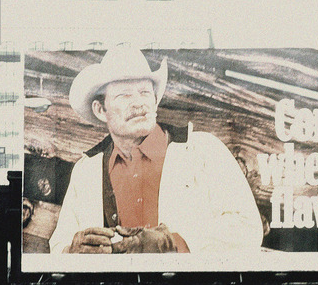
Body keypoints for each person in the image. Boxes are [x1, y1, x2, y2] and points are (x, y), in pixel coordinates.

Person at [50, 44, 263, 254]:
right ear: (100, 110)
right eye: (124, 95)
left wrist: (170, 243)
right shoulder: (86, 170)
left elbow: (248, 228)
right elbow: (59, 245)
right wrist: (71, 251)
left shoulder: (203, 150)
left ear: (154, 100)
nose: (138, 103)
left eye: (145, 92)